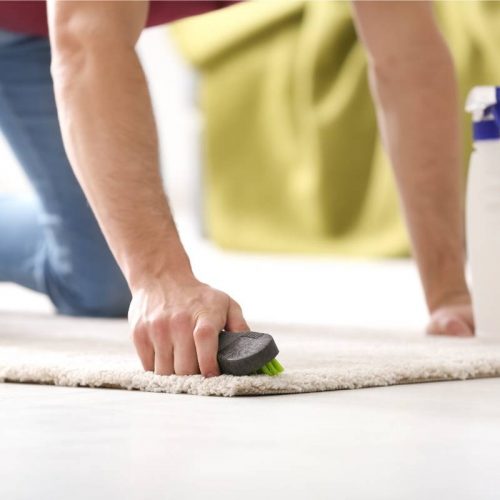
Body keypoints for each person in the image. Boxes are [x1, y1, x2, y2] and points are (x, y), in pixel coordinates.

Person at [0, 1, 474, 378]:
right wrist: (161, 278)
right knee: (141, 267)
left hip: (36, 27)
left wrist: (450, 294)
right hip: (66, 26)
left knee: (97, 279)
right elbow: (86, 40)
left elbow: (407, 60)